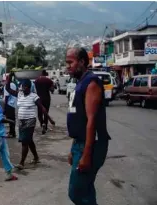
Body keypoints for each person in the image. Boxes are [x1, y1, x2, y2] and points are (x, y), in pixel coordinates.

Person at [65, 47, 111, 205]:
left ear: (82, 62)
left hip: (90, 145)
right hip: (80, 143)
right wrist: (73, 148)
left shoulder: (91, 83)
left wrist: (86, 155)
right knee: (85, 190)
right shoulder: (80, 83)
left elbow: (91, 121)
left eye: (70, 62)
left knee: (76, 193)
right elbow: (80, 120)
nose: (67, 66)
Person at [6, 74, 55, 170]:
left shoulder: (34, 96)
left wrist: (50, 119)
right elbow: (8, 89)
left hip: (30, 120)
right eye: (21, 87)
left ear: (28, 88)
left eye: (24, 87)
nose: (22, 88)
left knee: (25, 141)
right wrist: (9, 78)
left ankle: (21, 163)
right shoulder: (19, 94)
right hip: (21, 121)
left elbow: (42, 108)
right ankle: (36, 157)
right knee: (29, 140)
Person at [35, 70, 55, 134]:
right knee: (46, 113)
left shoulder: (36, 80)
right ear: (45, 74)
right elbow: (52, 90)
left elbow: (35, 89)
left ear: (41, 73)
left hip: (39, 98)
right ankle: (45, 126)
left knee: (39, 113)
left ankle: (42, 123)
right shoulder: (49, 81)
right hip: (47, 98)